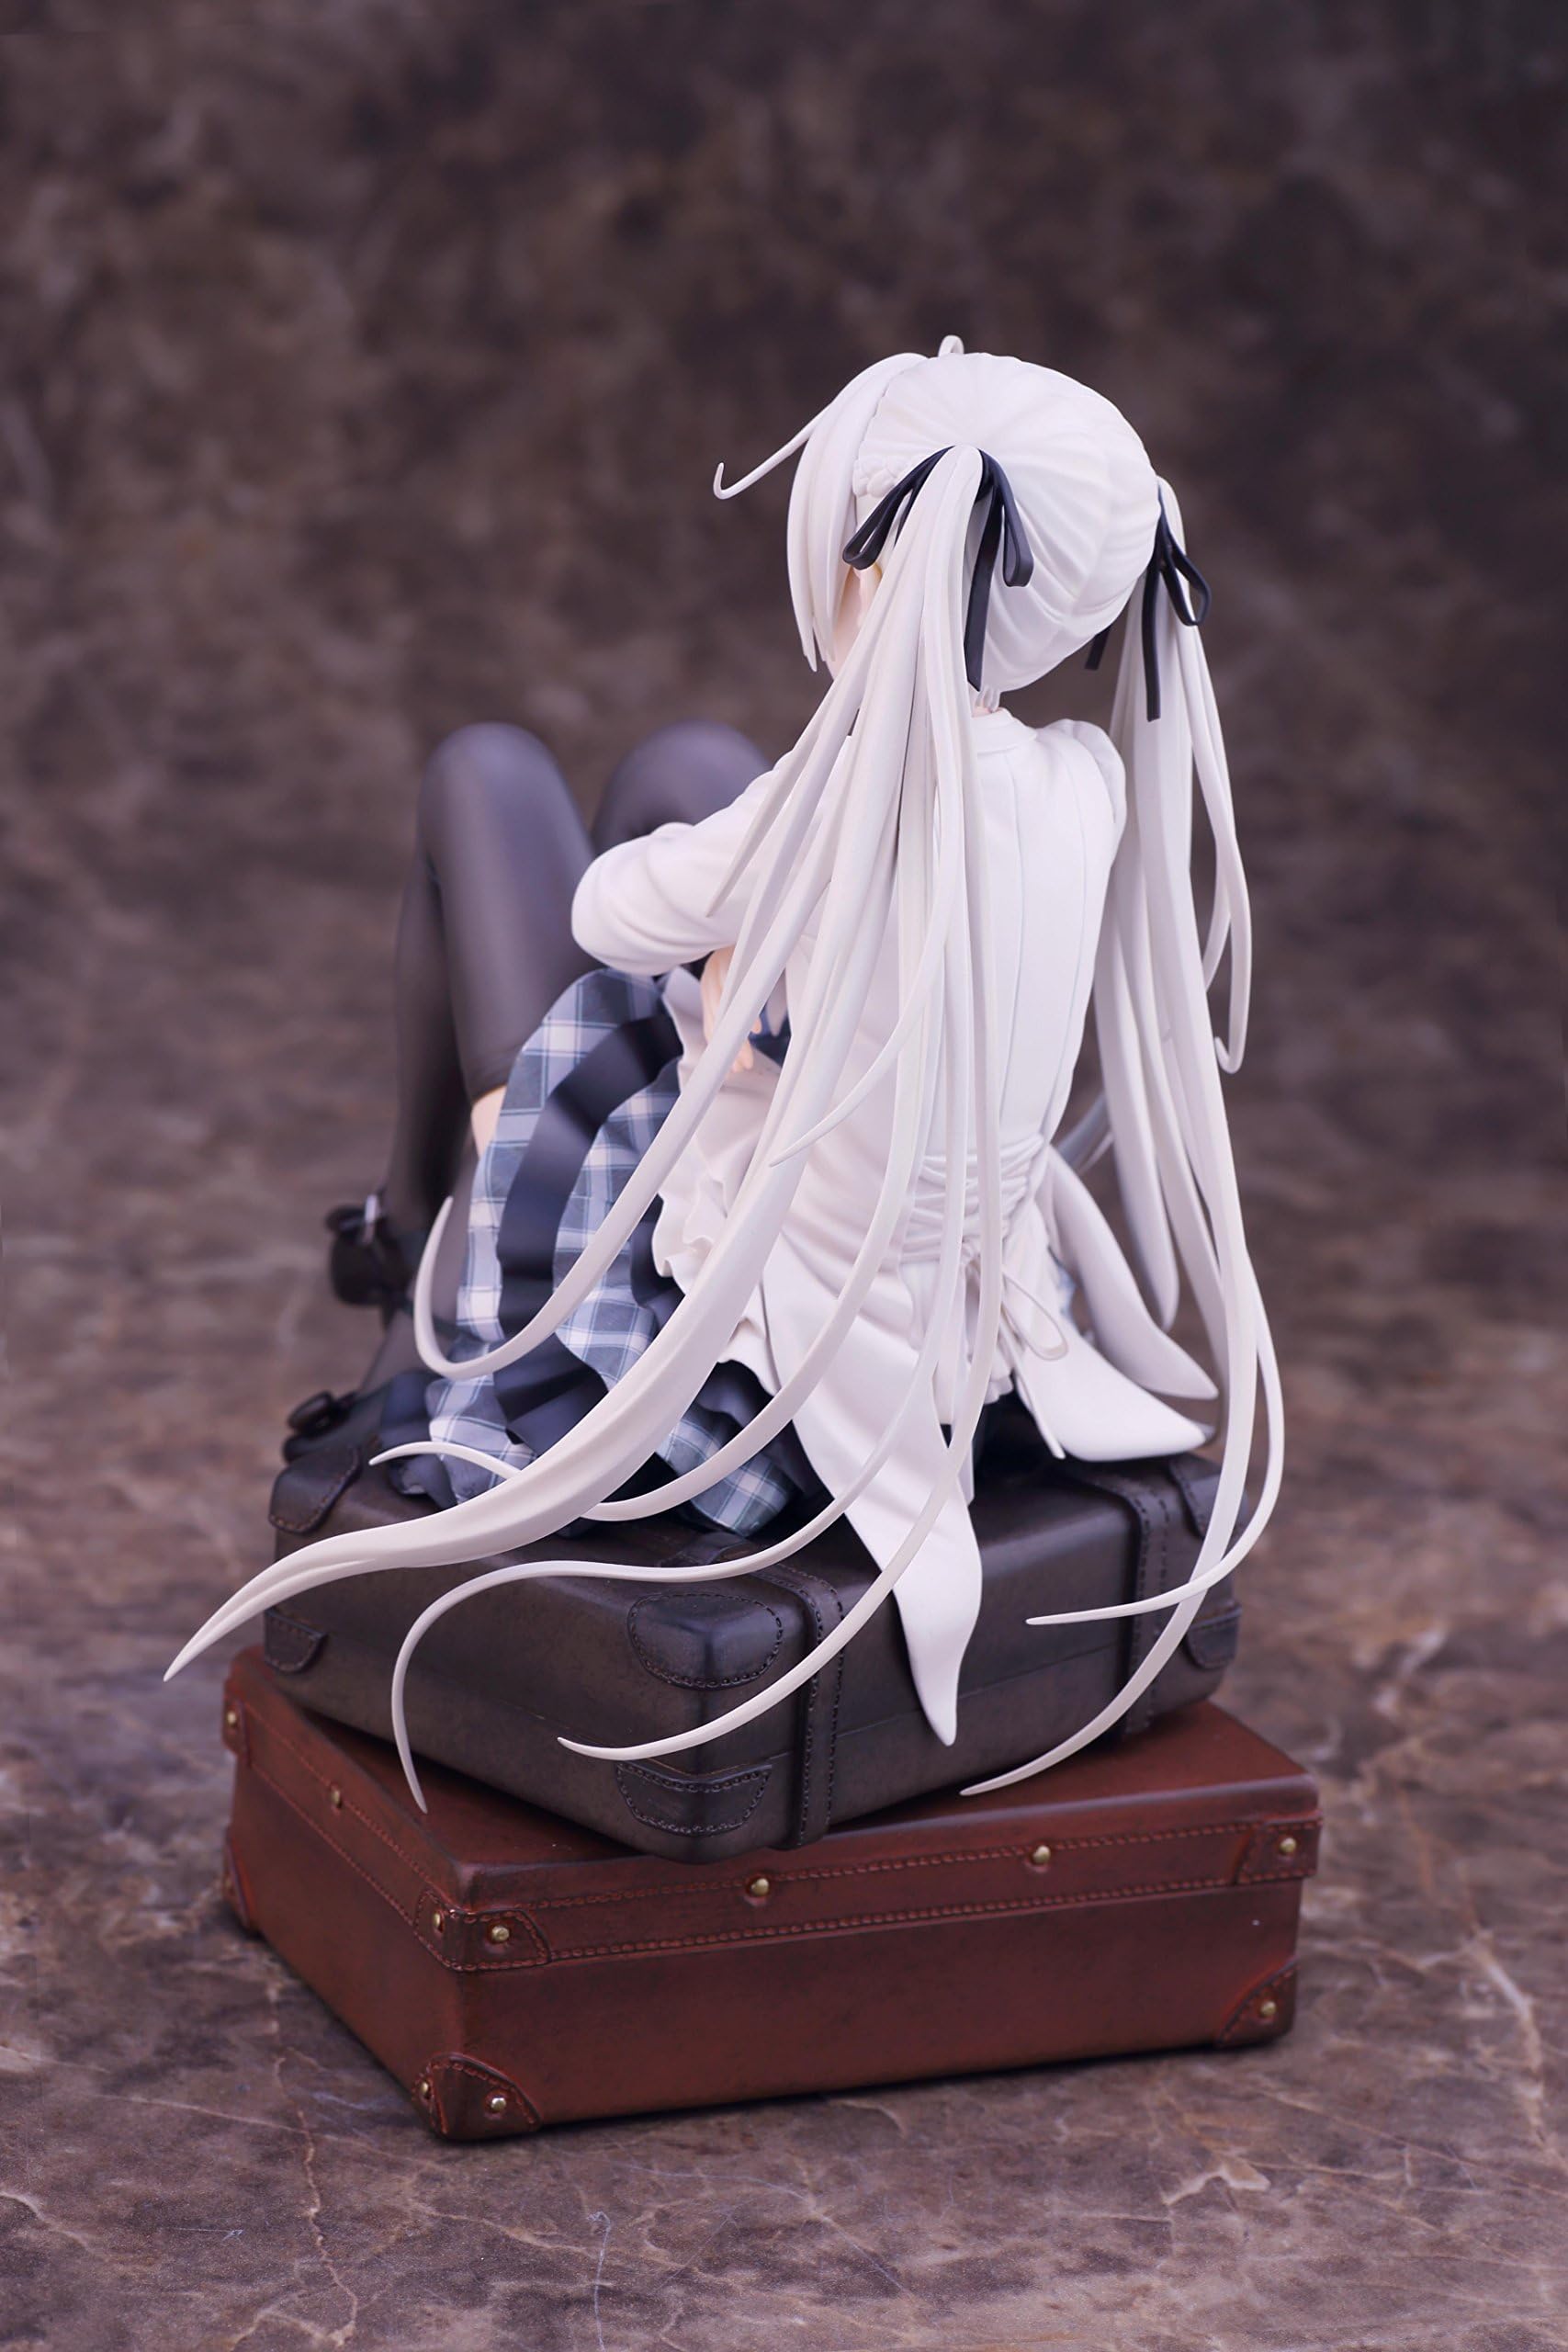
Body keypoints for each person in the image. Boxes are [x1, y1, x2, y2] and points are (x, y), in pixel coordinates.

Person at [170, 341, 1282, 1799]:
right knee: (690, 757)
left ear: (878, 564)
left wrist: (731, 931)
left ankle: (412, 1245)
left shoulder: (820, 810)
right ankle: (412, 1249)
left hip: (748, 1384)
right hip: (965, 1339)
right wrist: (753, 957)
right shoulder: (1089, 776)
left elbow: (605, 912)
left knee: (485, 775)